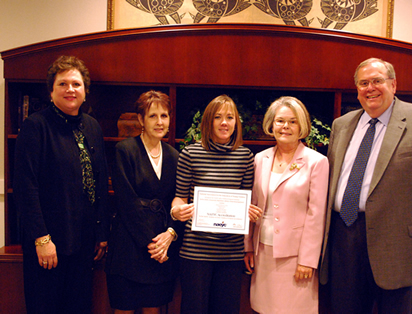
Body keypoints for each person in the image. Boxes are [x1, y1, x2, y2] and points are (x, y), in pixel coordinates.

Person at [319, 57, 412, 314]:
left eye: (377, 81)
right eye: (363, 83)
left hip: (400, 248)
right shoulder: (342, 125)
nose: (370, 88)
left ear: (393, 85)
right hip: (343, 239)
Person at [13, 55, 110, 313]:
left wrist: (101, 234)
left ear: (85, 91)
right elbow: (25, 187)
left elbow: (100, 183)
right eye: (63, 84)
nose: (70, 89)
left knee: (78, 306)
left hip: (84, 242)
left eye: (76, 84)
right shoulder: (35, 126)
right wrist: (41, 239)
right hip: (49, 241)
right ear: (51, 90)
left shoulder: (92, 127)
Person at [170, 94, 257, 314]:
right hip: (195, 250)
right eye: (218, 117)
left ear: (236, 122)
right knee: (194, 309)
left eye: (230, 117)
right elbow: (180, 196)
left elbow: (245, 197)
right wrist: (176, 210)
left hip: (231, 251)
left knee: (226, 309)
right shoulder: (190, 153)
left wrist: (249, 211)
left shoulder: (245, 156)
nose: (224, 122)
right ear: (208, 121)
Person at [244, 96, 329, 313]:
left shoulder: (316, 162)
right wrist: (248, 247)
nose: (285, 127)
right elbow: (252, 205)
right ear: (271, 124)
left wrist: (308, 261)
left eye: (293, 121)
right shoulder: (259, 159)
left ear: (302, 126)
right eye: (280, 121)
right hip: (262, 252)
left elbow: (316, 215)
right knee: (263, 308)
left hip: (295, 258)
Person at [105, 91, 181, 313]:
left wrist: (170, 235)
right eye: (153, 116)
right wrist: (152, 243)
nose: (160, 122)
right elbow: (126, 202)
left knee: (153, 309)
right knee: (124, 308)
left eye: (164, 116)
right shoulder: (125, 150)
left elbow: (177, 201)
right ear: (141, 120)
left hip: (161, 249)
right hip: (128, 246)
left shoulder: (175, 156)